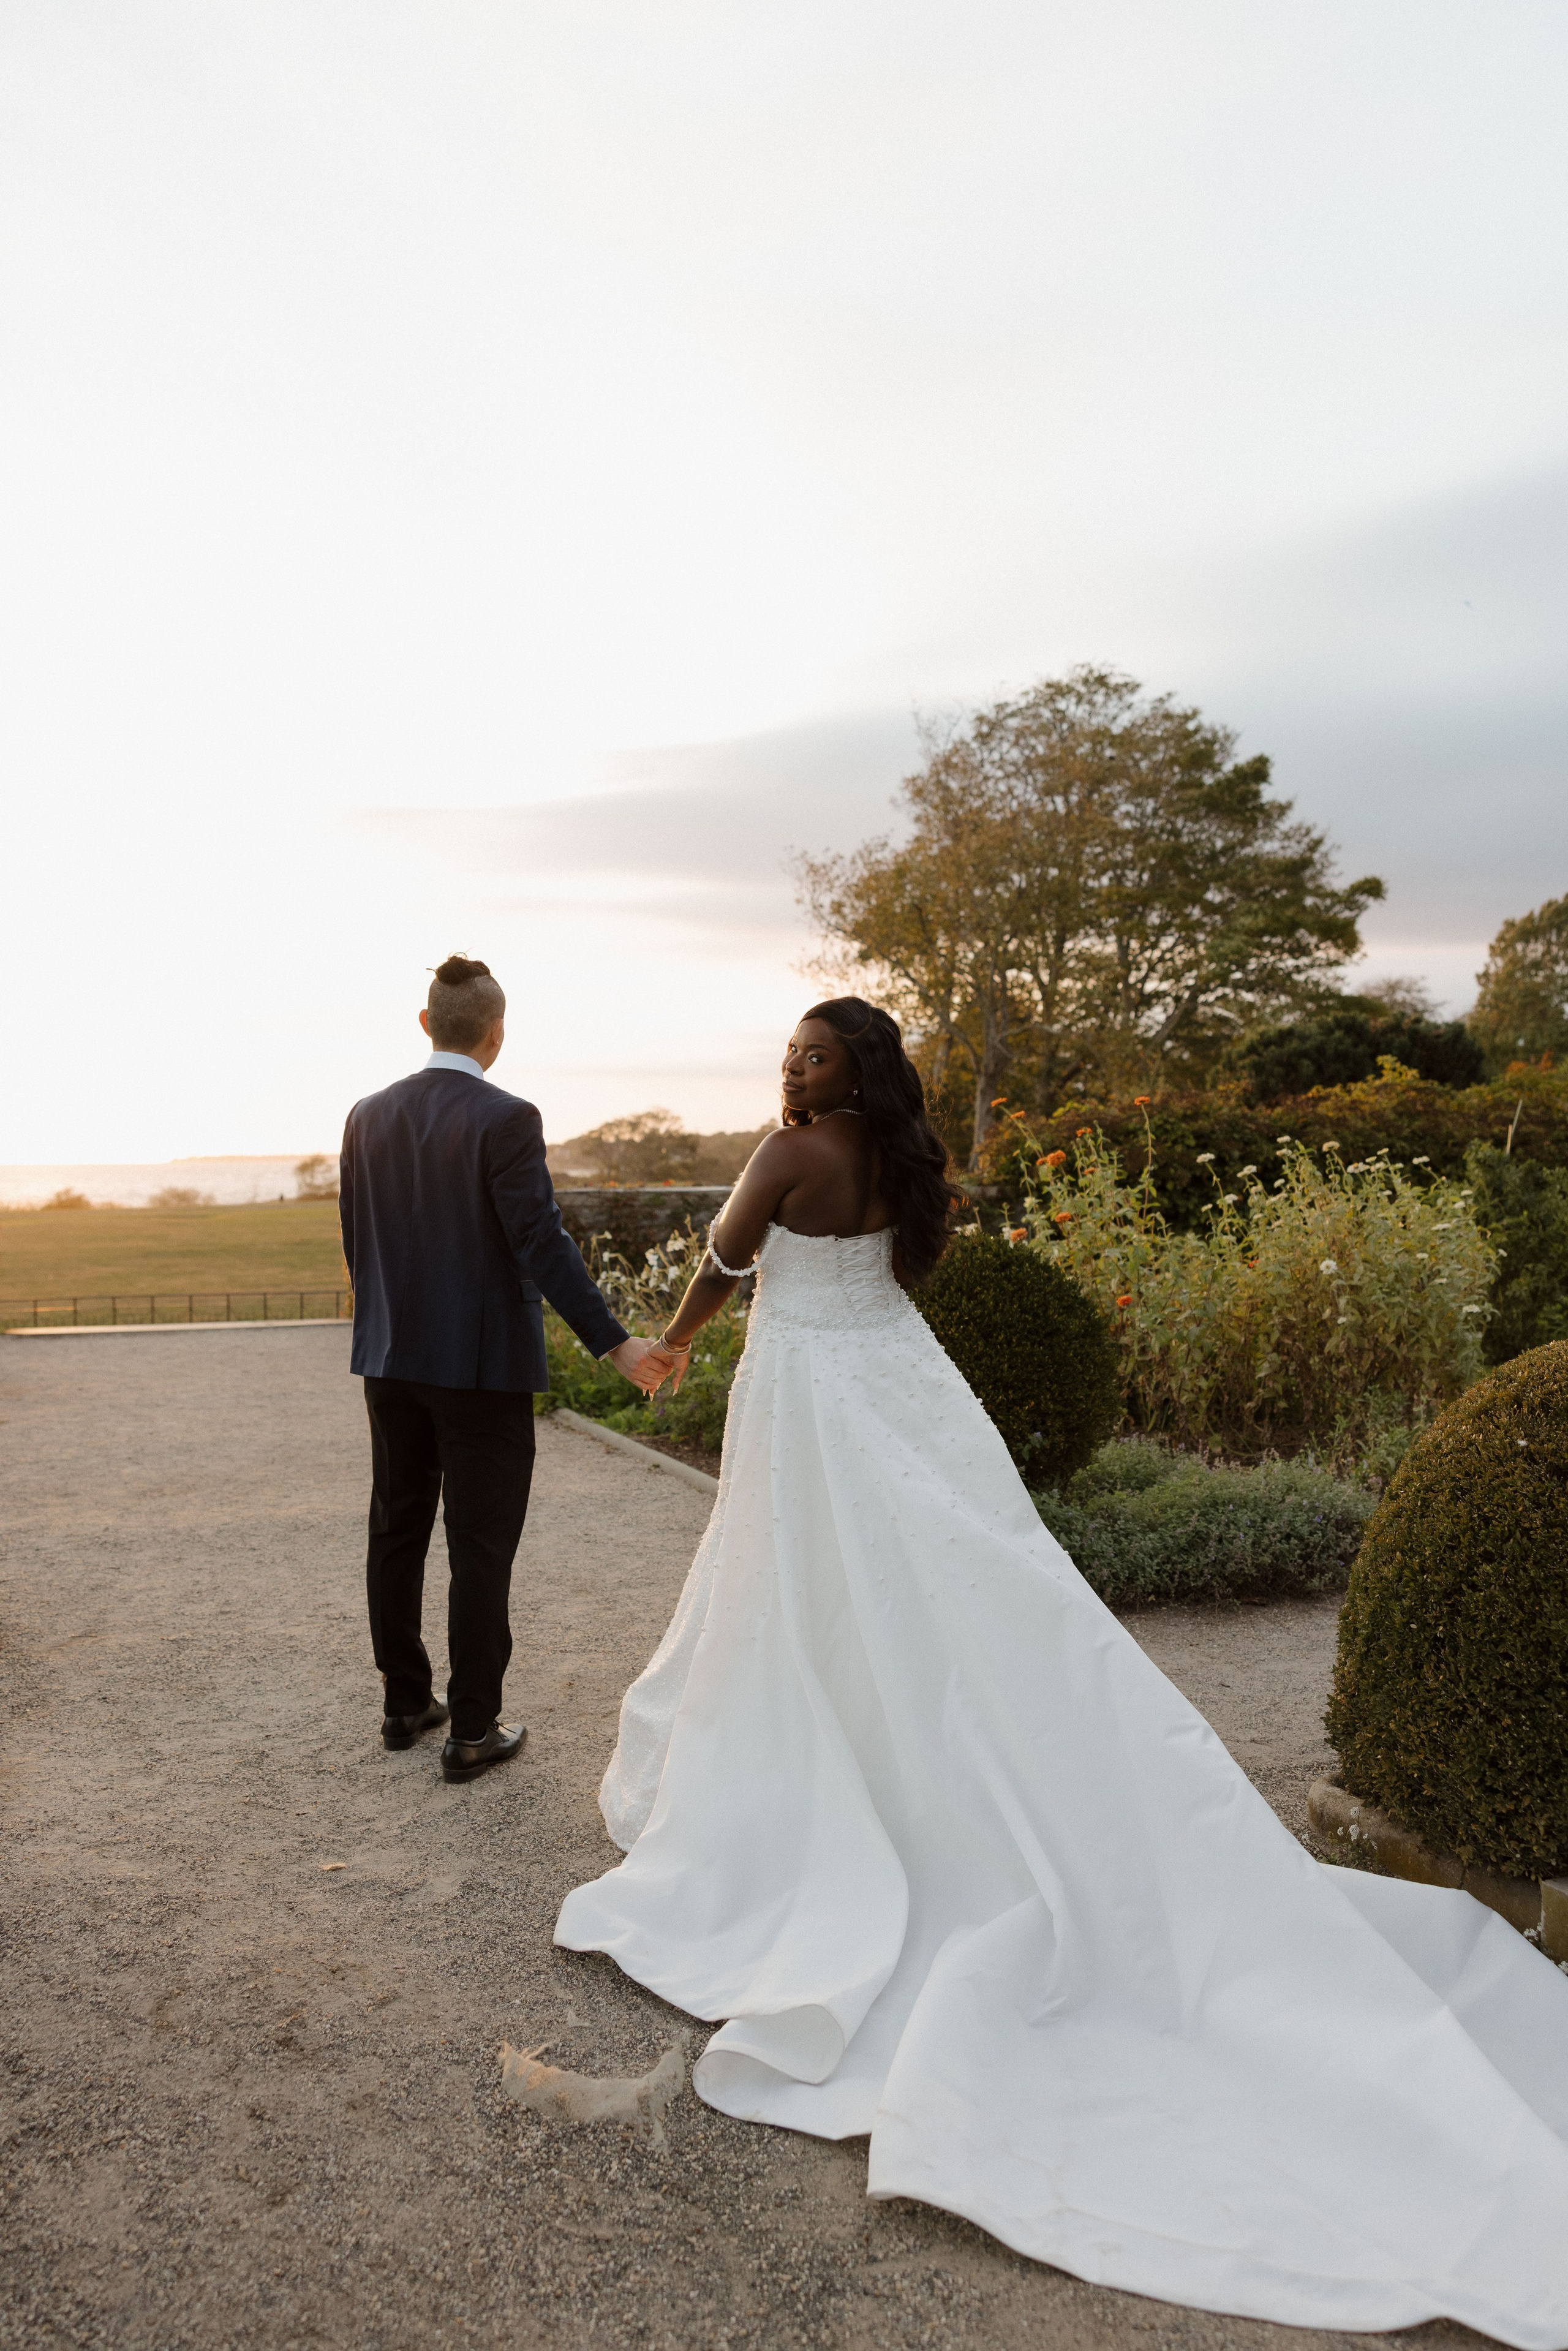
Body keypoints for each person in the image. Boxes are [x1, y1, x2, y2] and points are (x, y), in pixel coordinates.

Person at [557, 996, 1568, 2348]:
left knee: (797, 1585)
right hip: (895, 1377)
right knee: (927, 1588)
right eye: (791, 1048)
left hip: (808, 1390)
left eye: (817, 1051)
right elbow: (885, 1274)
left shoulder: (791, 1151)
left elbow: (728, 1261)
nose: (795, 1064)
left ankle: (829, 1790)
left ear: (856, 1068)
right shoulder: (896, 1159)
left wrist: (672, 1341)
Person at [339, 955, 665, 1784]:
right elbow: (540, 1242)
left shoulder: (365, 1115)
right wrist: (615, 1343)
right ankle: (473, 1729)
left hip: (390, 1360)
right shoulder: (507, 1117)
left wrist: (381, 1327)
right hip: (481, 1368)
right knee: (479, 1546)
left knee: (395, 1528)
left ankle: (404, 1703)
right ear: (497, 1033)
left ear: (426, 1024)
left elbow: (357, 1239)